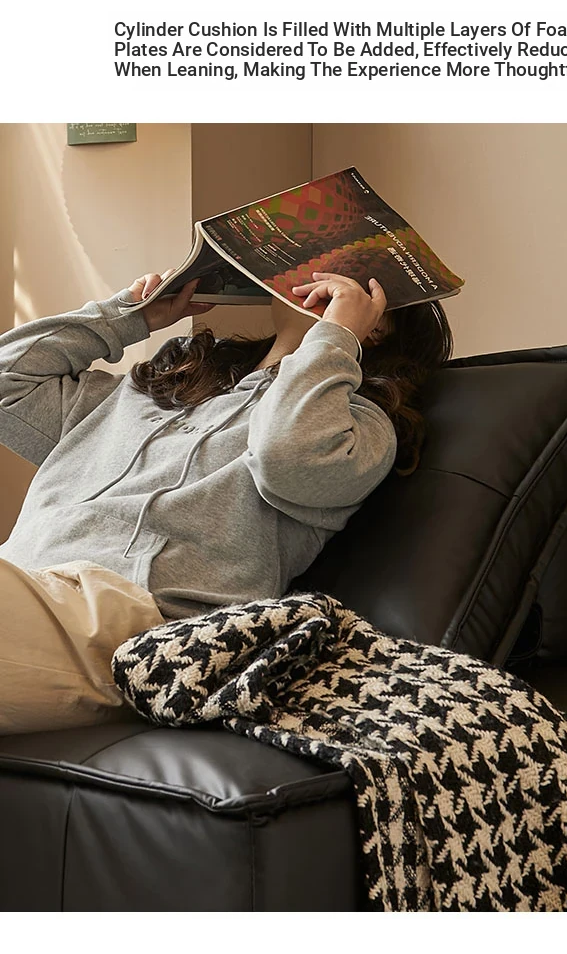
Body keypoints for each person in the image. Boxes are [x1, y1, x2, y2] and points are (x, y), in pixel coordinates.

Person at [0, 271, 452, 734]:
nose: (308, 273)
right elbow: (5, 380)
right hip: (25, 588)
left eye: (337, 278)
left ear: (375, 324)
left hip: (135, 630)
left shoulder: (355, 431)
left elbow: (287, 457)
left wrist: (336, 336)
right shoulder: (156, 388)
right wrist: (129, 316)